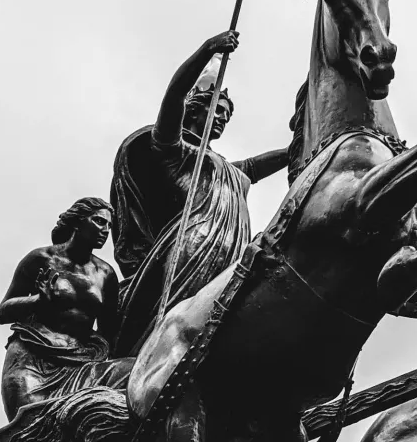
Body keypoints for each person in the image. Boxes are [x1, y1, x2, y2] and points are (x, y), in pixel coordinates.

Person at [110, 30, 289, 356]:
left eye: (227, 115)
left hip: (230, 259)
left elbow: (251, 168)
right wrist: (208, 49)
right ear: (196, 109)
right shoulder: (173, 150)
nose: (222, 119)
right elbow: (174, 95)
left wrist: (301, 147)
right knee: (176, 333)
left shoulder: (222, 166)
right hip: (188, 257)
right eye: (217, 111)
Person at [0, 197, 135, 421]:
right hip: (33, 360)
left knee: (137, 373)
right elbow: (3, 312)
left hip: (83, 362)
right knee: (32, 425)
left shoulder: (106, 275)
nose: (106, 230)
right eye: (99, 221)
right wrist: (37, 303)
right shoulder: (40, 259)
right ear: (78, 222)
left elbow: (110, 331)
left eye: (109, 226)